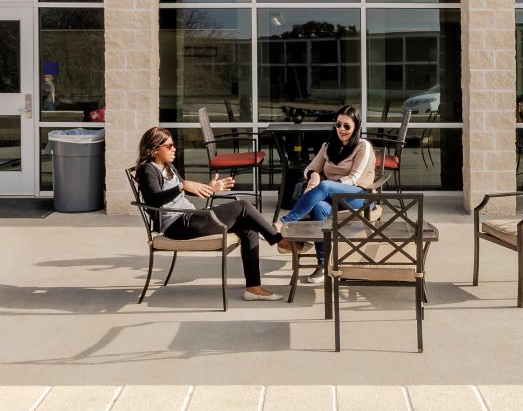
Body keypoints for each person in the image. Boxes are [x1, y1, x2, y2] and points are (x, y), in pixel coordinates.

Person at [135, 126, 286, 301]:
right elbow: (155, 200)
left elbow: (183, 190)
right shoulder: (147, 169)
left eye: (173, 145)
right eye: (169, 146)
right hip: (178, 225)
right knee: (243, 206)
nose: (174, 149)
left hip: (190, 218)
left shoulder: (167, 166)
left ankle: (253, 288)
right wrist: (181, 186)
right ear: (154, 148)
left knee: (248, 227)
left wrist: (210, 188)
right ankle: (280, 241)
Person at [277, 105, 376, 285]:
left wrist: (322, 186)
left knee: (324, 187)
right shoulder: (328, 146)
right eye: (338, 125)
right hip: (332, 197)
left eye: (347, 126)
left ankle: (286, 223)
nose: (342, 130)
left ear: (356, 127)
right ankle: (322, 264)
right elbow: (310, 168)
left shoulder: (363, 146)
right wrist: (314, 175)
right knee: (319, 206)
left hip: (358, 196)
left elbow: (354, 179)